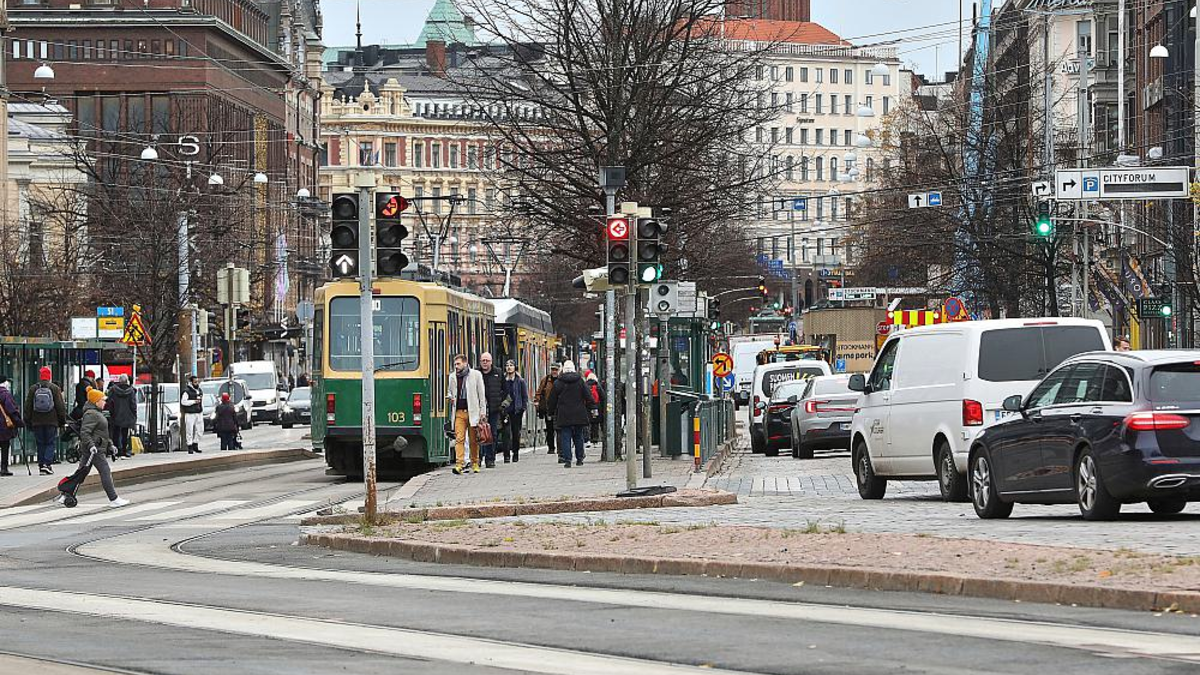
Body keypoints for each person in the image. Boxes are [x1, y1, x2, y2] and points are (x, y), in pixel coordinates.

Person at [70, 387, 128, 507]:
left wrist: (110, 445)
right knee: (105, 471)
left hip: (95, 448)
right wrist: (91, 445)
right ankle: (113, 499)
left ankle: (66, 493)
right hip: (95, 450)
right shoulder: (92, 414)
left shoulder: (96, 413)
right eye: (102, 400)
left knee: (81, 472)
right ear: (96, 401)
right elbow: (85, 432)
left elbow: (102, 433)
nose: (105, 402)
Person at [547, 360, 595, 468]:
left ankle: (567, 459)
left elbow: (552, 400)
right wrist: (591, 407)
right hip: (579, 412)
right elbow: (588, 396)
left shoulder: (558, 382)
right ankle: (579, 458)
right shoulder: (580, 381)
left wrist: (551, 411)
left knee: (565, 436)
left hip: (564, 413)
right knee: (578, 436)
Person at [447, 354, 486, 474]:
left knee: (474, 439)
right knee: (459, 438)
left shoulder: (476, 375)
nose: (456, 367)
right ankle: (459, 464)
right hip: (459, 411)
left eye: (458, 364)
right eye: (455, 364)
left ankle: (475, 462)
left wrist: (482, 412)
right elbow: (450, 391)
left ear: (465, 363)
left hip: (473, 412)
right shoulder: (453, 377)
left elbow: (481, 394)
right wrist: (450, 397)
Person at [25, 366, 67, 475]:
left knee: (40, 443)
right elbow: (60, 406)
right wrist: (62, 420)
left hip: (37, 421)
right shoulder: (54, 388)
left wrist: (28, 420)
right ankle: (47, 464)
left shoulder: (33, 388)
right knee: (50, 442)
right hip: (51, 421)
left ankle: (41, 464)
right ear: (49, 376)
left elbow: (28, 406)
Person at [478, 352, 505, 469]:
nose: (485, 363)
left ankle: (490, 459)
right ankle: (478, 458)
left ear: (491, 362)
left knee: (491, 434)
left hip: (494, 409)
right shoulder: (476, 373)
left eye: (487, 361)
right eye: (483, 360)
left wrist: (502, 405)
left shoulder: (498, 373)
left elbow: (506, 390)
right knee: (479, 434)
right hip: (479, 409)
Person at [500, 359, 528, 463]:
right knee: (506, 433)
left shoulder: (520, 381)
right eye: (507, 365)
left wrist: (523, 408)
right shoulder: (503, 381)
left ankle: (515, 453)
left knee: (516, 433)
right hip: (505, 410)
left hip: (517, 410)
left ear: (515, 367)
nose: (509, 367)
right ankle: (506, 455)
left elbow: (524, 396)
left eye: (511, 365)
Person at [106, 375, 137, 459]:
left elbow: (110, 402)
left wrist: (112, 411)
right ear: (127, 381)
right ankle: (124, 450)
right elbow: (133, 404)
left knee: (116, 433)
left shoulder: (113, 390)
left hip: (116, 414)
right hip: (127, 415)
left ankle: (116, 451)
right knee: (125, 433)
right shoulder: (131, 391)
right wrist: (134, 414)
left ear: (119, 381)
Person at [0, 376, 24, 477]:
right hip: (3, 426)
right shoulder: (5, 394)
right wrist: (19, 422)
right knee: (5, 446)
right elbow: (11, 410)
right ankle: (4, 468)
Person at [534, 363, 560, 455]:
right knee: (550, 429)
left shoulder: (561, 380)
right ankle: (551, 447)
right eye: (553, 369)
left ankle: (560, 448)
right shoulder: (545, 380)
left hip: (559, 409)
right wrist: (537, 402)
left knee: (559, 429)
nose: (554, 371)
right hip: (548, 409)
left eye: (556, 370)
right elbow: (539, 392)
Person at [180, 375, 204, 454]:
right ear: (191, 382)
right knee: (189, 430)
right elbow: (183, 402)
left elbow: (201, 400)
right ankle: (189, 446)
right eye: (195, 382)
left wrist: (201, 408)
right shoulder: (187, 391)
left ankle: (195, 443)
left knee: (200, 430)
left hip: (198, 412)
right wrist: (193, 402)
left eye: (197, 382)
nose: (197, 383)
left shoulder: (199, 390)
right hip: (190, 413)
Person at [585, 371, 603, 446]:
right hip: (596, 407)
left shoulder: (585, 385)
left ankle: (587, 439)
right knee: (595, 423)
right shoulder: (597, 386)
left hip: (587, 407)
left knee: (587, 423)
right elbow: (602, 396)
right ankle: (595, 439)